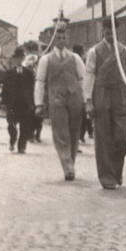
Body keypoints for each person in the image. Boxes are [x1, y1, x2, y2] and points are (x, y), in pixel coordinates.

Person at [84, 18, 126, 190]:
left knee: (122, 138)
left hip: (120, 95)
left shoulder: (125, 51)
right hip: (102, 95)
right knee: (104, 137)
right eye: (107, 30)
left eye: (112, 30)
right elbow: (90, 75)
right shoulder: (94, 52)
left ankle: (116, 171)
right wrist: (89, 101)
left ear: (117, 31)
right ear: (103, 31)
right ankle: (107, 176)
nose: (109, 33)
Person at [34, 25, 86, 181]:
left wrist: (85, 99)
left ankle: (70, 162)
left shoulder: (75, 58)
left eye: (64, 37)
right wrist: (38, 103)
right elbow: (40, 81)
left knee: (74, 132)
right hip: (57, 100)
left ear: (67, 38)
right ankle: (67, 166)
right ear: (53, 39)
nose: (62, 40)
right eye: (58, 37)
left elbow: (83, 78)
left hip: (75, 98)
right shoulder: (46, 60)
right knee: (61, 133)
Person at [1, 46, 35, 154]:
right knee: (11, 125)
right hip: (12, 103)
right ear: (14, 59)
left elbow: (32, 88)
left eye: (22, 58)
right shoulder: (9, 73)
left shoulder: (29, 73)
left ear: (24, 59)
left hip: (25, 104)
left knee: (25, 126)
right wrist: (3, 102)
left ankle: (21, 146)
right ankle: (12, 140)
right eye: (18, 58)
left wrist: (33, 103)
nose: (19, 60)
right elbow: (5, 88)